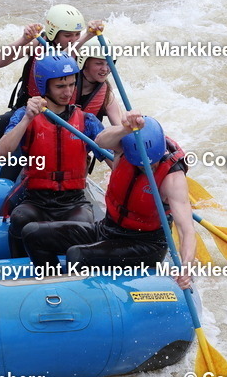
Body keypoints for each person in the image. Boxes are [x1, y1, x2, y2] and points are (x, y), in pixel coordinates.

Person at [21, 115, 195, 289]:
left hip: (144, 245)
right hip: (108, 229)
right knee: (33, 233)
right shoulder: (124, 147)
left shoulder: (173, 179)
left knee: (77, 255)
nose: (147, 168)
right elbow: (101, 141)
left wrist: (186, 267)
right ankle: (55, 287)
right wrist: (125, 129)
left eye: (152, 165)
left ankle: (74, 297)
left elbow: (186, 230)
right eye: (141, 165)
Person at [0, 54, 125, 257]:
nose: (68, 92)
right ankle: (20, 269)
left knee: (82, 224)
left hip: (73, 201)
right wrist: (27, 119)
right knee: (20, 217)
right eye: (60, 87)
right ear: (45, 86)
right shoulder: (25, 115)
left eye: (72, 85)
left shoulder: (86, 121)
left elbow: (115, 164)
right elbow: (2, 152)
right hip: (36, 199)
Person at [0, 5, 102, 180]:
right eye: (68, 35)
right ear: (53, 33)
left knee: (13, 168)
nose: (74, 39)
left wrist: (88, 35)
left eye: (76, 34)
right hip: (26, 114)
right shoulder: (39, 43)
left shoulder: (79, 52)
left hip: (57, 122)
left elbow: (64, 57)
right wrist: (24, 39)